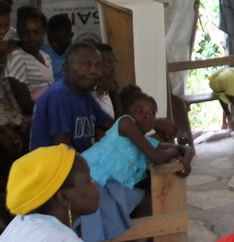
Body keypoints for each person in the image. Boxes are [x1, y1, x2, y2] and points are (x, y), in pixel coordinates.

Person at [80, 85, 194, 241]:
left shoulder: (145, 141)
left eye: (152, 113)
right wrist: (175, 152)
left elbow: (185, 148)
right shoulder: (125, 123)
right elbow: (157, 157)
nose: (147, 116)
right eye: (139, 111)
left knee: (149, 204)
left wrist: (186, 160)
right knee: (95, 230)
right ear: (128, 113)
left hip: (112, 186)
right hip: (90, 179)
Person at [0, 144, 100, 242]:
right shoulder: (62, 239)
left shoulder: (24, 221)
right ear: (64, 197)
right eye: (88, 180)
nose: (95, 183)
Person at [29, 42, 114, 152]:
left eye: (98, 65)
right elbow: (62, 147)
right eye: (86, 65)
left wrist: (113, 92)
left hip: (79, 162)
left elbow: (112, 127)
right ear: (67, 69)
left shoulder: (85, 95)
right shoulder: (59, 95)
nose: (93, 71)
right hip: (55, 166)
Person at [0, 0, 24, 198]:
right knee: (2, 145)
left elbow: (20, 38)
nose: (2, 31)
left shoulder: (9, 35)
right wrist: (1, 59)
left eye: (6, 26)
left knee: (17, 140)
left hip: (1, 107)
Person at [4, 6, 54, 117]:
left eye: (36, 32)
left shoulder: (46, 57)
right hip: (32, 119)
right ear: (19, 33)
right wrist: (56, 111)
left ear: (44, 32)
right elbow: (26, 107)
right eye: (26, 33)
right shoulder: (16, 58)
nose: (31, 37)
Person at [42, 14, 74, 83]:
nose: (55, 45)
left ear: (70, 35)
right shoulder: (42, 52)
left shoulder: (81, 52)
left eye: (60, 40)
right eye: (51, 40)